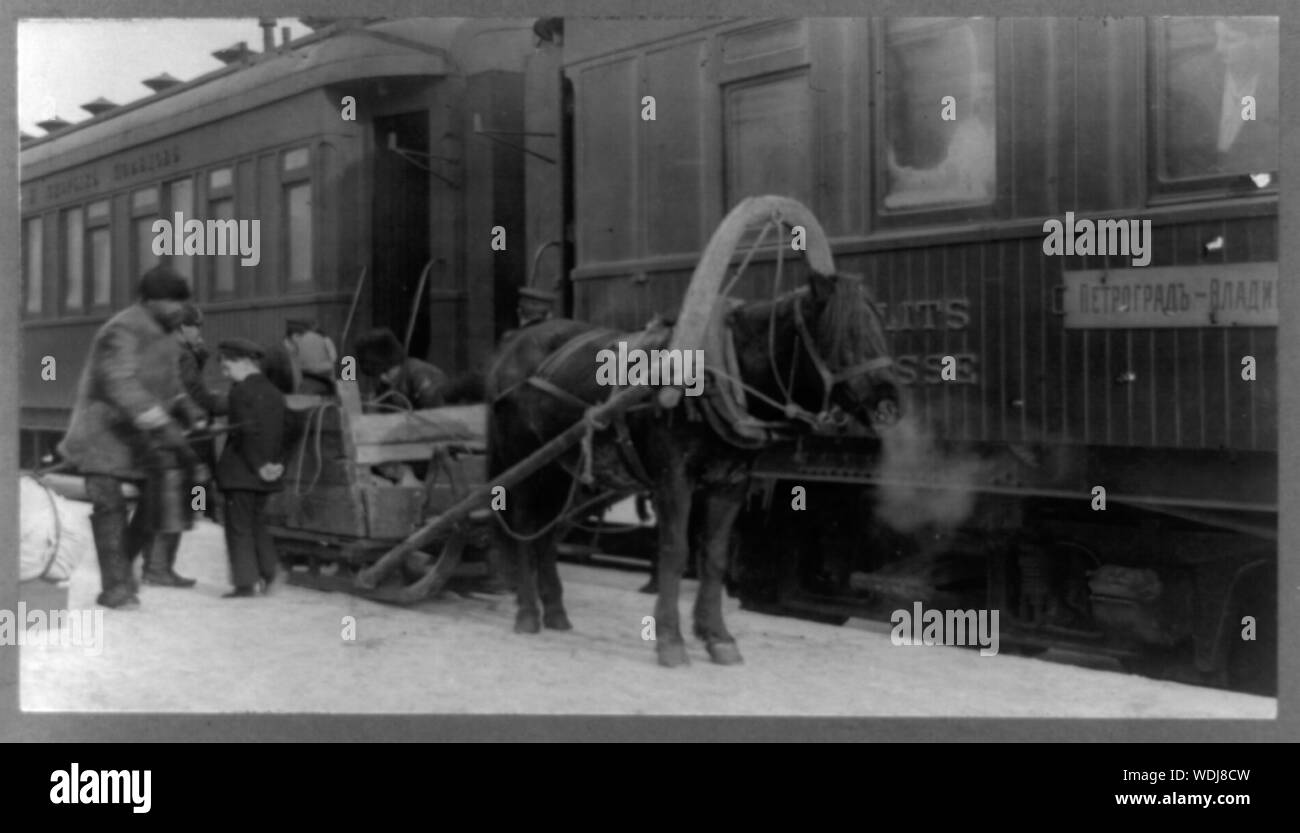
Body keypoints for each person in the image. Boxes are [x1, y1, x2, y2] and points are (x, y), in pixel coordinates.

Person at [58, 265, 204, 610]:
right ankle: (117, 589)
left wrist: (186, 406)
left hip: (138, 440)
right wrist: (161, 424)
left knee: (158, 502)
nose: (179, 310)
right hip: (102, 438)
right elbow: (118, 382)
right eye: (171, 303)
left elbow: (171, 382)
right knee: (110, 507)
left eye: (182, 303)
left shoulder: (167, 334)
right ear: (149, 301)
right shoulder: (122, 328)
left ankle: (120, 569)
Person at [214, 338, 287, 598]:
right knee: (256, 522)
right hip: (268, 471)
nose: (225, 374)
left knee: (239, 526)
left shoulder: (239, 392)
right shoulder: (274, 393)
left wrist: (258, 466)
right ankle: (271, 571)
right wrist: (274, 464)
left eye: (227, 367)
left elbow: (245, 432)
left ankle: (245, 583)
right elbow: (280, 433)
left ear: (243, 363)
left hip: (242, 471)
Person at [353, 327, 449, 410]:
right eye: (378, 375)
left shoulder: (419, 373)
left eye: (386, 372)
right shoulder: (386, 384)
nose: (383, 378)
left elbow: (435, 413)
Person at [283, 319, 339, 395]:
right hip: (314, 379)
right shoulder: (293, 348)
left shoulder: (324, 340)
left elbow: (333, 358)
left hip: (320, 377)